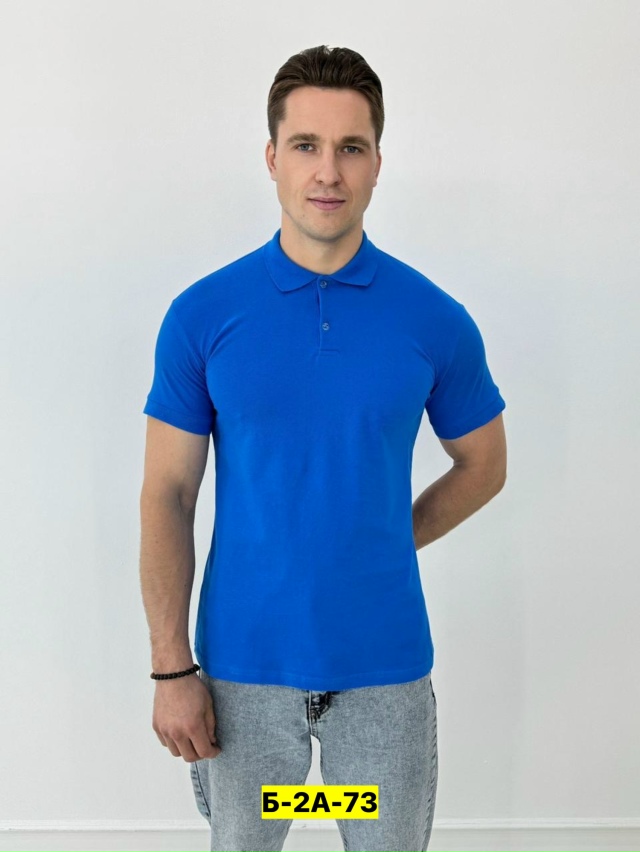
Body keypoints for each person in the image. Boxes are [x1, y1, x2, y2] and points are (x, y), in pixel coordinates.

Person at [139, 44, 507, 852]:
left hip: (384, 676)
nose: (328, 172)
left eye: (351, 148)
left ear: (378, 163)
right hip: (239, 673)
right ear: (273, 157)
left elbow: (484, 464)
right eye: (306, 145)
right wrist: (171, 667)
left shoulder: (434, 320)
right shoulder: (203, 316)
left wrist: (385, 535)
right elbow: (168, 493)